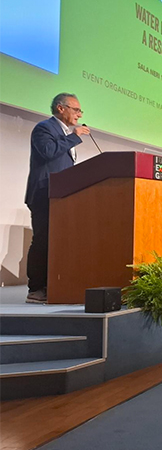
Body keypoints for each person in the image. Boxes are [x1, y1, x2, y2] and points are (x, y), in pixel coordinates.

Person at [24, 93, 90, 303]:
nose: (79, 115)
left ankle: (55, 284)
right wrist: (74, 136)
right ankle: (36, 289)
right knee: (42, 239)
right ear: (61, 108)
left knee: (58, 241)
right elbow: (48, 152)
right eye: (76, 110)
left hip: (61, 196)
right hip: (44, 193)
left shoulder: (64, 133)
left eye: (80, 111)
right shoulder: (44, 128)